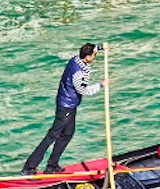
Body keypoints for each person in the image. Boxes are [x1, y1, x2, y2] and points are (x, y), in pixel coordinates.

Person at [23, 43, 102, 175]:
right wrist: (101, 85)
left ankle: (52, 165)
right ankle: (29, 167)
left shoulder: (75, 58)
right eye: (94, 55)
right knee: (52, 135)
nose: (95, 56)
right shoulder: (78, 73)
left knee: (68, 133)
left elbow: (90, 50)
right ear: (87, 57)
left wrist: (100, 47)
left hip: (69, 104)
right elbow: (84, 90)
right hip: (66, 106)